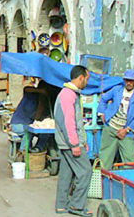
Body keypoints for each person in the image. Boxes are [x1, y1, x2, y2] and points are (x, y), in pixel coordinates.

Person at [54, 65, 92, 216]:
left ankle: (61, 205)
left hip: (67, 142)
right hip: (70, 143)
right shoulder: (68, 95)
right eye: (87, 79)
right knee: (85, 171)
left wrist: (82, 141)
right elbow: (69, 122)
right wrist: (75, 144)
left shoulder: (70, 94)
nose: (87, 83)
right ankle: (77, 206)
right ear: (81, 77)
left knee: (66, 174)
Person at [98, 69, 134, 169]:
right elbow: (103, 99)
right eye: (127, 80)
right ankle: (104, 181)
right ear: (124, 80)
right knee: (105, 159)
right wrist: (102, 113)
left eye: (131, 81)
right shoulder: (117, 90)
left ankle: (127, 182)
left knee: (129, 161)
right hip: (111, 127)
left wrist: (126, 130)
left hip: (126, 131)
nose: (129, 83)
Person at [10, 78, 58, 151]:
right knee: (28, 132)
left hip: (30, 125)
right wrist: (41, 92)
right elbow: (26, 89)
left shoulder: (44, 101)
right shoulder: (30, 95)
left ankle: (38, 149)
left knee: (46, 134)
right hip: (18, 124)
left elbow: (38, 117)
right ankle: (23, 151)